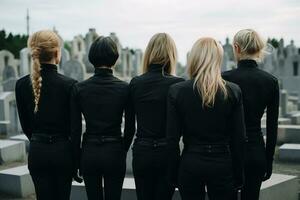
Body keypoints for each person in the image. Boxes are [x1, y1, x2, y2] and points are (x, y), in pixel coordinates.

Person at [166, 37, 246, 200]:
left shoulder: (177, 91)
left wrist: (174, 173)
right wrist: (239, 174)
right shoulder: (233, 91)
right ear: (218, 58)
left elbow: (172, 139)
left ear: (194, 58)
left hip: (191, 162)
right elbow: (239, 138)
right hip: (222, 163)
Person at [70, 36, 135, 200]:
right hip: (114, 150)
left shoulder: (79, 88)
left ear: (91, 58)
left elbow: (75, 129)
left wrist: (77, 160)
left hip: (89, 151)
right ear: (115, 59)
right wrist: (122, 150)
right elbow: (130, 128)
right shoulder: (125, 88)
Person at [15, 30, 77, 200]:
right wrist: (76, 159)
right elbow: (75, 128)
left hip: (38, 152)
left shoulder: (21, 85)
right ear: (57, 53)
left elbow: (26, 125)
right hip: (63, 152)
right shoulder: (71, 85)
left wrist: (39, 141)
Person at [222, 29, 279, 200]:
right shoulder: (270, 81)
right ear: (259, 49)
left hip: (227, 152)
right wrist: (268, 160)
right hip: (255, 152)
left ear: (237, 48)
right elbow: (272, 126)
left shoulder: (223, 79)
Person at [129, 33, 184, 200]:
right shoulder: (178, 84)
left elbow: (130, 126)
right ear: (171, 54)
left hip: (142, 152)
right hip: (167, 152)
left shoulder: (136, 83)